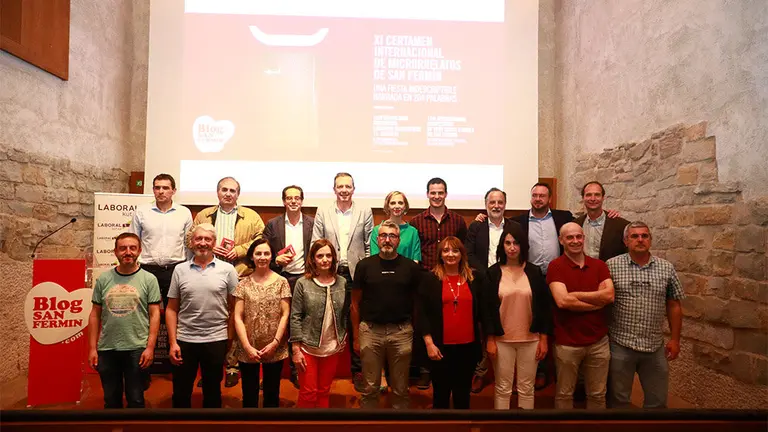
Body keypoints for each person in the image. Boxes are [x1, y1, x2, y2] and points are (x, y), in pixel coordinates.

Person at [193, 176, 265, 387]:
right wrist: (209, 246)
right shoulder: (204, 215)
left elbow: (261, 239)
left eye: (232, 190)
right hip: (209, 273)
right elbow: (190, 238)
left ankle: (235, 365)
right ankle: (214, 368)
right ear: (218, 192)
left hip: (240, 273)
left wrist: (240, 250)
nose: (228, 194)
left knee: (239, 320)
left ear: (238, 194)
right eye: (224, 189)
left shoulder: (251, 216)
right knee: (214, 319)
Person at [607, 222, 684, 408]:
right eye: (634, 236)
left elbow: (674, 305)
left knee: (657, 402)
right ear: (626, 241)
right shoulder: (611, 266)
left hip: (654, 346)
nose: (640, 239)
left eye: (645, 236)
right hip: (620, 344)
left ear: (650, 240)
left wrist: (675, 339)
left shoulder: (666, 268)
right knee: (618, 401)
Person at [166, 223, 239, 408]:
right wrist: (173, 342)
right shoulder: (180, 270)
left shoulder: (228, 270)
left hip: (216, 339)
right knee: (181, 392)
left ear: (214, 243)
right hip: (185, 339)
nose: (203, 243)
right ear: (191, 242)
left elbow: (235, 308)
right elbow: (171, 309)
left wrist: (230, 338)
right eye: (198, 238)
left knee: (213, 391)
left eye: (208, 239)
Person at [312, 172, 373, 392]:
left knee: (357, 322)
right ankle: (325, 370)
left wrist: (367, 272)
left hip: (357, 274)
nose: (344, 190)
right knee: (331, 319)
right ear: (334, 189)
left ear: (353, 189)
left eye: (348, 186)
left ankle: (358, 371)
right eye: (340, 186)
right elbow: (316, 243)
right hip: (331, 273)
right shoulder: (323, 211)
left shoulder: (364, 211)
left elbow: (368, 244)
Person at [351, 221, 423, 409]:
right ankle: (369, 423)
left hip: (401, 332)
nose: (387, 240)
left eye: (392, 236)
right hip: (370, 331)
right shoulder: (364, 266)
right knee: (370, 388)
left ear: (399, 240)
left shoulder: (411, 267)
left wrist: (414, 331)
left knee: (401, 388)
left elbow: (417, 303)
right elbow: (354, 303)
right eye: (383, 235)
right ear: (377, 239)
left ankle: (400, 423)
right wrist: (356, 336)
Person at [88, 233, 161, 408]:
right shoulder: (103, 279)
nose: (128, 252)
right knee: (111, 400)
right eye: (123, 248)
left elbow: (155, 315)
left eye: (132, 248)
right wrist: (92, 348)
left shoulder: (149, 279)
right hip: (107, 348)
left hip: (137, 348)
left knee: (136, 399)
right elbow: (95, 314)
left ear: (139, 251)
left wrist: (150, 348)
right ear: (115, 252)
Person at [483, 224, 552, 409]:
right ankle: (501, 424)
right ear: (502, 246)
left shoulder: (534, 272)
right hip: (501, 340)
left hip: (531, 339)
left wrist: (544, 339)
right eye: (508, 243)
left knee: (527, 388)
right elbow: (487, 310)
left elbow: (544, 308)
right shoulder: (492, 273)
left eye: (516, 243)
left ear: (523, 246)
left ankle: (525, 424)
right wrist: (490, 339)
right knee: (502, 388)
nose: (512, 247)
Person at [546, 222, 614, 409]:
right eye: (570, 237)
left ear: (584, 238)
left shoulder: (599, 265)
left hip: (598, 342)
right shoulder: (555, 266)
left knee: (598, 394)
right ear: (561, 240)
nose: (575, 241)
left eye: (578, 236)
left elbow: (609, 296)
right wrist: (596, 302)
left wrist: (576, 295)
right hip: (567, 343)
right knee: (564, 394)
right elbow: (563, 302)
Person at [409, 177, 467, 389]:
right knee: (426, 321)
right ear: (427, 194)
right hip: (427, 278)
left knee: (448, 322)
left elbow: (463, 250)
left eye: (440, 192)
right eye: (433, 192)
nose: (436, 196)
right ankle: (426, 370)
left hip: (452, 278)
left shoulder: (458, 221)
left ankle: (448, 365)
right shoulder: (417, 221)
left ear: (446, 194)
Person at [418, 236, 486, 409]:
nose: (450, 254)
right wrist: (429, 344)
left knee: (463, 397)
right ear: (440, 255)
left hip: (467, 348)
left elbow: (483, 313)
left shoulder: (474, 279)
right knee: (440, 397)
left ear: (462, 254)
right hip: (440, 348)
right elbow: (422, 314)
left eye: (455, 250)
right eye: (446, 250)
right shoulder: (430, 279)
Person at [465, 187, 521, 393]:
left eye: (500, 202)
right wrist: (488, 274)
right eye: (492, 202)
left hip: (510, 282)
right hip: (482, 283)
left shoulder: (515, 226)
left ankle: (509, 375)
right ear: (486, 204)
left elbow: (521, 250)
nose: (496, 206)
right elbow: (468, 254)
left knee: (509, 326)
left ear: (505, 204)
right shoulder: (476, 226)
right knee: (483, 329)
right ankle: (480, 372)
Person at [263, 184, 315, 388]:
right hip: (280, 278)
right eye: (289, 198)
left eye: (297, 198)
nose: (293, 201)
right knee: (276, 323)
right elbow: (262, 250)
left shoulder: (312, 223)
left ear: (302, 201)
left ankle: (297, 369)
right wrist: (275, 260)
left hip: (305, 279)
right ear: (284, 201)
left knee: (299, 324)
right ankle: (271, 371)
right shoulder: (273, 224)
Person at [290, 239, 350, 408]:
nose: (325, 260)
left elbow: (345, 313)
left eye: (328, 256)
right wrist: (296, 349)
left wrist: (342, 336)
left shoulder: (342, 282)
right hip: (307, 347)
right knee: (308, 392)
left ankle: (322, 422)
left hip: (331, 348)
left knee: (324, 391)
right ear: (313, 259)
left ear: (334, 258)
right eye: (320, 256)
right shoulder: (303, 283)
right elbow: (295, 316)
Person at [232, 239, 291, 408]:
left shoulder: (282, 282)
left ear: (272, 256)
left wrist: (275, 343)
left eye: (266, 253)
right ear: (251, 256)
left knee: (272, 395)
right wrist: (247, 347)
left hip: (274, 347)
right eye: (258, 253)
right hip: (248, 347)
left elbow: (285, 314)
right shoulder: (243, 284)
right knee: (249, 395)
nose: (262, 257)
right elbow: (238, 317)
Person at [129, 173, 193, 305]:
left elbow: (188, 243)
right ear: (153, 190)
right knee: (145, 308)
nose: (161, 191)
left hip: (175, 269)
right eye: (157, 188)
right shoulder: (141, 212)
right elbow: (133, 241)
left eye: (165, 188)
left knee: (174, 308)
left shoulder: (184, 212)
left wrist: (189, 268)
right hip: (147, 269)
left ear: (173, 191)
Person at [511, 183, 574, 276]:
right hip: (529, 275)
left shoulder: (564, 218)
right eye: (534, 195)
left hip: (558, 274)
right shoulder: (517, 222)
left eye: (542, 196)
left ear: (550, 199)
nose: (537, 199)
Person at [574, 181, 630, 261]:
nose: (593, 199)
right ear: (583, 198)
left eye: (597, 195)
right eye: (588, 195)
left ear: (603, 198)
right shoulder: (576, 224)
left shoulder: (621, 225)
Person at [370, 191, 421, 261]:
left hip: (407, 268)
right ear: (387, 206)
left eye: (400, 203)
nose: (397, 206)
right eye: (393, 203)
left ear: (405, 206)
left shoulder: (413, 232)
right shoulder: (377, 230)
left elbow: (415, 260)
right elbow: (374, 259)